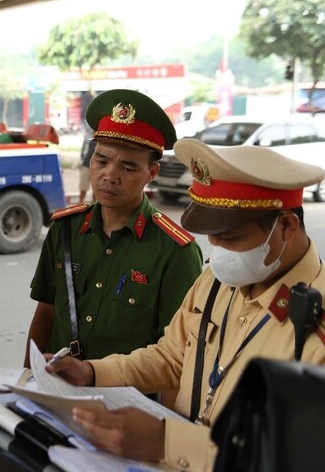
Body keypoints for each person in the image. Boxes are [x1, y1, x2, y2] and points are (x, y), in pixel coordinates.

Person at [48, 138, 325, 470]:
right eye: (211, 238)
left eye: (229, 238)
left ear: (286, 226)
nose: (218, 253)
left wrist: (169, 443)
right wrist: (94, 372)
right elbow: (172, 356)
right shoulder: (217, 282)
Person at [25, 89, 204, 366]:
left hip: (127, 391)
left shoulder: (175, 251)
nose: (109, 176)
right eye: (101, 161)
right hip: (57, 382)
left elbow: (176, 351)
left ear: (152, 173)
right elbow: (46, 311)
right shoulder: (65, 228)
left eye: (127, 168)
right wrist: (28, 377)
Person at [78, 123, 95, 203]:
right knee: (83, 187)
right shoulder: (88, 135)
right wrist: (81, 161)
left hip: (97, 166)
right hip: (86, 164)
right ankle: (80, 203)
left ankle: (95, 205)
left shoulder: (102, 135)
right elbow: (83, 149)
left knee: (96, 188)